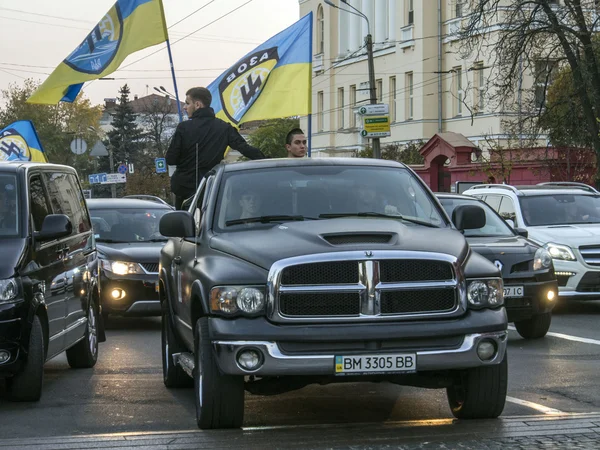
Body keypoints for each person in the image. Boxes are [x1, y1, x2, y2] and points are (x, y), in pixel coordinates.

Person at [166, 87, 266, 209]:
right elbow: (245, 149)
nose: (185, 107)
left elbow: (171, 159)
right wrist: (269, 160)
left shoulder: (184, 128)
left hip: (185, 192)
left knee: (184, 225)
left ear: (197, 104)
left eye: (187, 103)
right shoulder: (224, 128)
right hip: (211, 188)